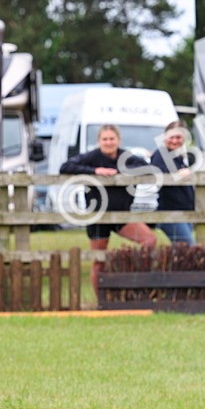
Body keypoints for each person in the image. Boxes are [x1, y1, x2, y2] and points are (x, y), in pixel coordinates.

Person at [59, 124, 157, 291]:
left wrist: (121, 172)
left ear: (118, 140)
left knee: (149, 241)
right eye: (105, 139)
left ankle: (131, 275)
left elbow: (146, 168)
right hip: (98, 217)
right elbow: (66, 167)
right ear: (99, 141)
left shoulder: (127, 157)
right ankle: (101, 302)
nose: (108, 142)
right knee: (99, 260)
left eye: (112, 139)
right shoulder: (91, 157)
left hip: (122, 215)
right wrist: (95, 171)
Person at [152, 121, 195, 245]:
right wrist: (177, 175)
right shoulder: (161, 154)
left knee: (181, 254)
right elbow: (158, 173)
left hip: (185, 212)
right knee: (189, 248)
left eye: (178, 137)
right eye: (172, 137)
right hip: (170, 213)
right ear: (165, 137)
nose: (175, 141)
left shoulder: (180, 156)